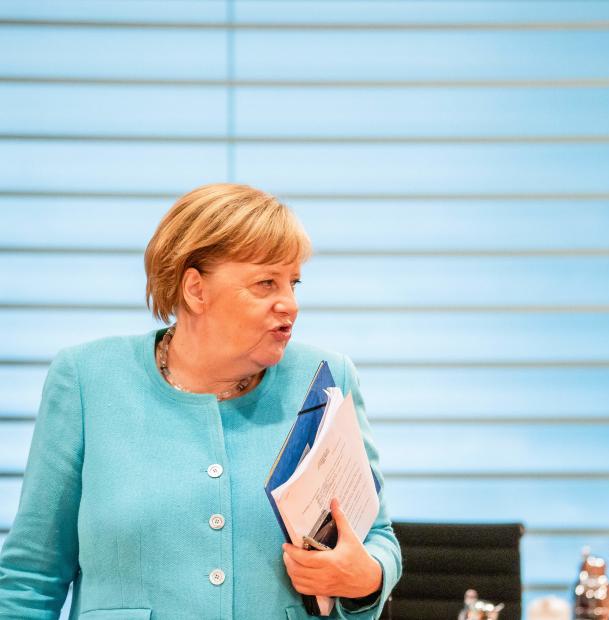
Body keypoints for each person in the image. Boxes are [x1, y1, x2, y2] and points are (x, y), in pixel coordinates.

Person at [0, 183, 401, 619]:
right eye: (266, 283)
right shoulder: (86, 379)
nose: (290, 304)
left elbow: (374, 535)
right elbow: (31, 577)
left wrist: (367, 579)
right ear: (195, 290)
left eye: (293, 282)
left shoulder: (324, 378)